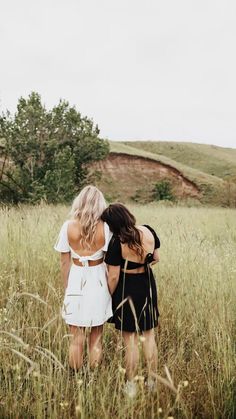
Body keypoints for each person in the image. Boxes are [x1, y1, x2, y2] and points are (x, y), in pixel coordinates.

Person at [101, 203, 160, 397]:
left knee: (131, 342)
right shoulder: (149, 230)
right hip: (147, 284)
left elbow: (113, 276)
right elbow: (156, 258)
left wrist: (107, 297)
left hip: (127, 288)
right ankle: (152, 382)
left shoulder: (117, 241)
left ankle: (131, 386)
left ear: (113, 224)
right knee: (149, 337)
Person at [54, 186, 112, 370]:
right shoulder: (106, 228)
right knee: (96, 336)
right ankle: (93, 377)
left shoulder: (68, 226)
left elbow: (64, 262)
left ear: (79, 202)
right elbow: (111, 264)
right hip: (99, 281)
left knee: (75, 338)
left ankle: (75, 376)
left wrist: (67, 287)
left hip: (76, 279)